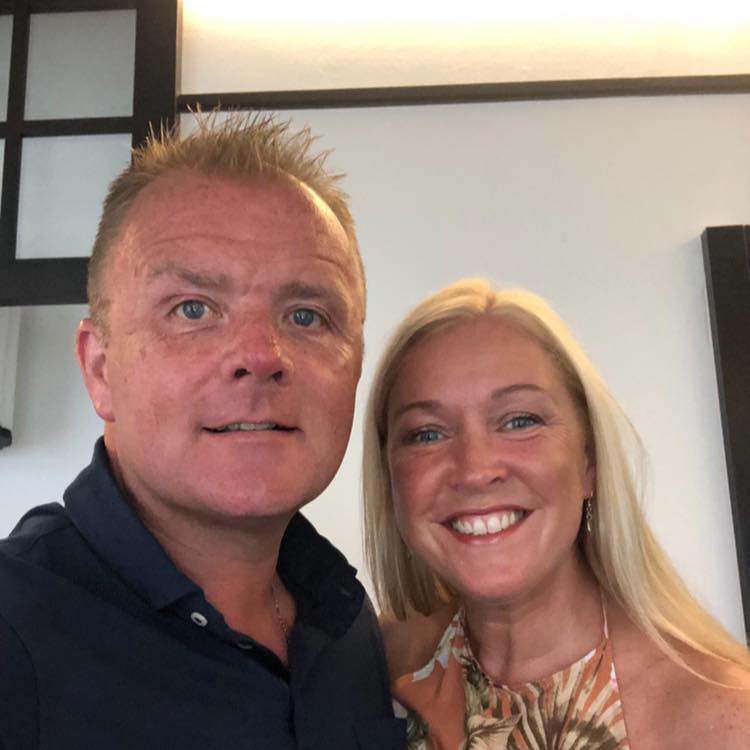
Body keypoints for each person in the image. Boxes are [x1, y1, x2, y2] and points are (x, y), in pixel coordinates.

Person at [0, 114, 404, 749]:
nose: (260, 355)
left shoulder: (349, 627)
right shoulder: (14, 631)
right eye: (193, 309)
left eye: (306, 316)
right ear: (100, 369)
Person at [362, 278, 750, 750]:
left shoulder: (724, 719)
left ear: (589, 461)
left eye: (520, 421)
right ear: (389, 473)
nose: (475, 470)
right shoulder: (383, 659)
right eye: (427, 434)